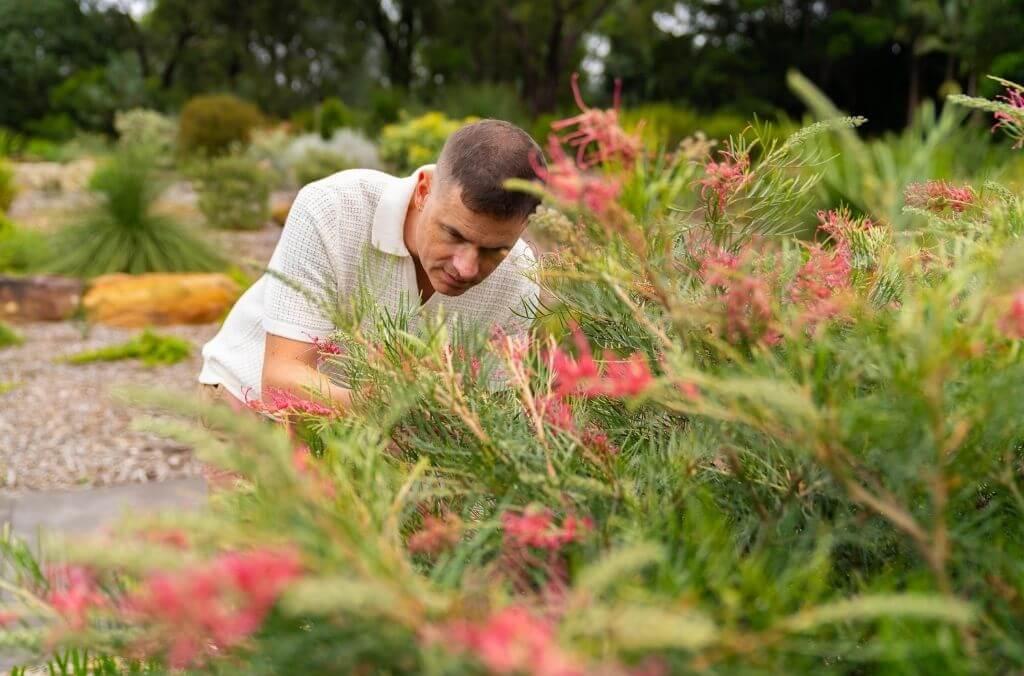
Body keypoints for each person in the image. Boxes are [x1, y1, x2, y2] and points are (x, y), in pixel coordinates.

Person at [197, 119, 545, 413]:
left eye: (494, 250)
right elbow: (282, 377)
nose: (467, 268)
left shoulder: (520, 276)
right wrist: (387, 408)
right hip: (250, 399)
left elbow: (495, 403)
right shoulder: (332, 208)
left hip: (382, 430)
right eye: (453, 234)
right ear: (424, 191)